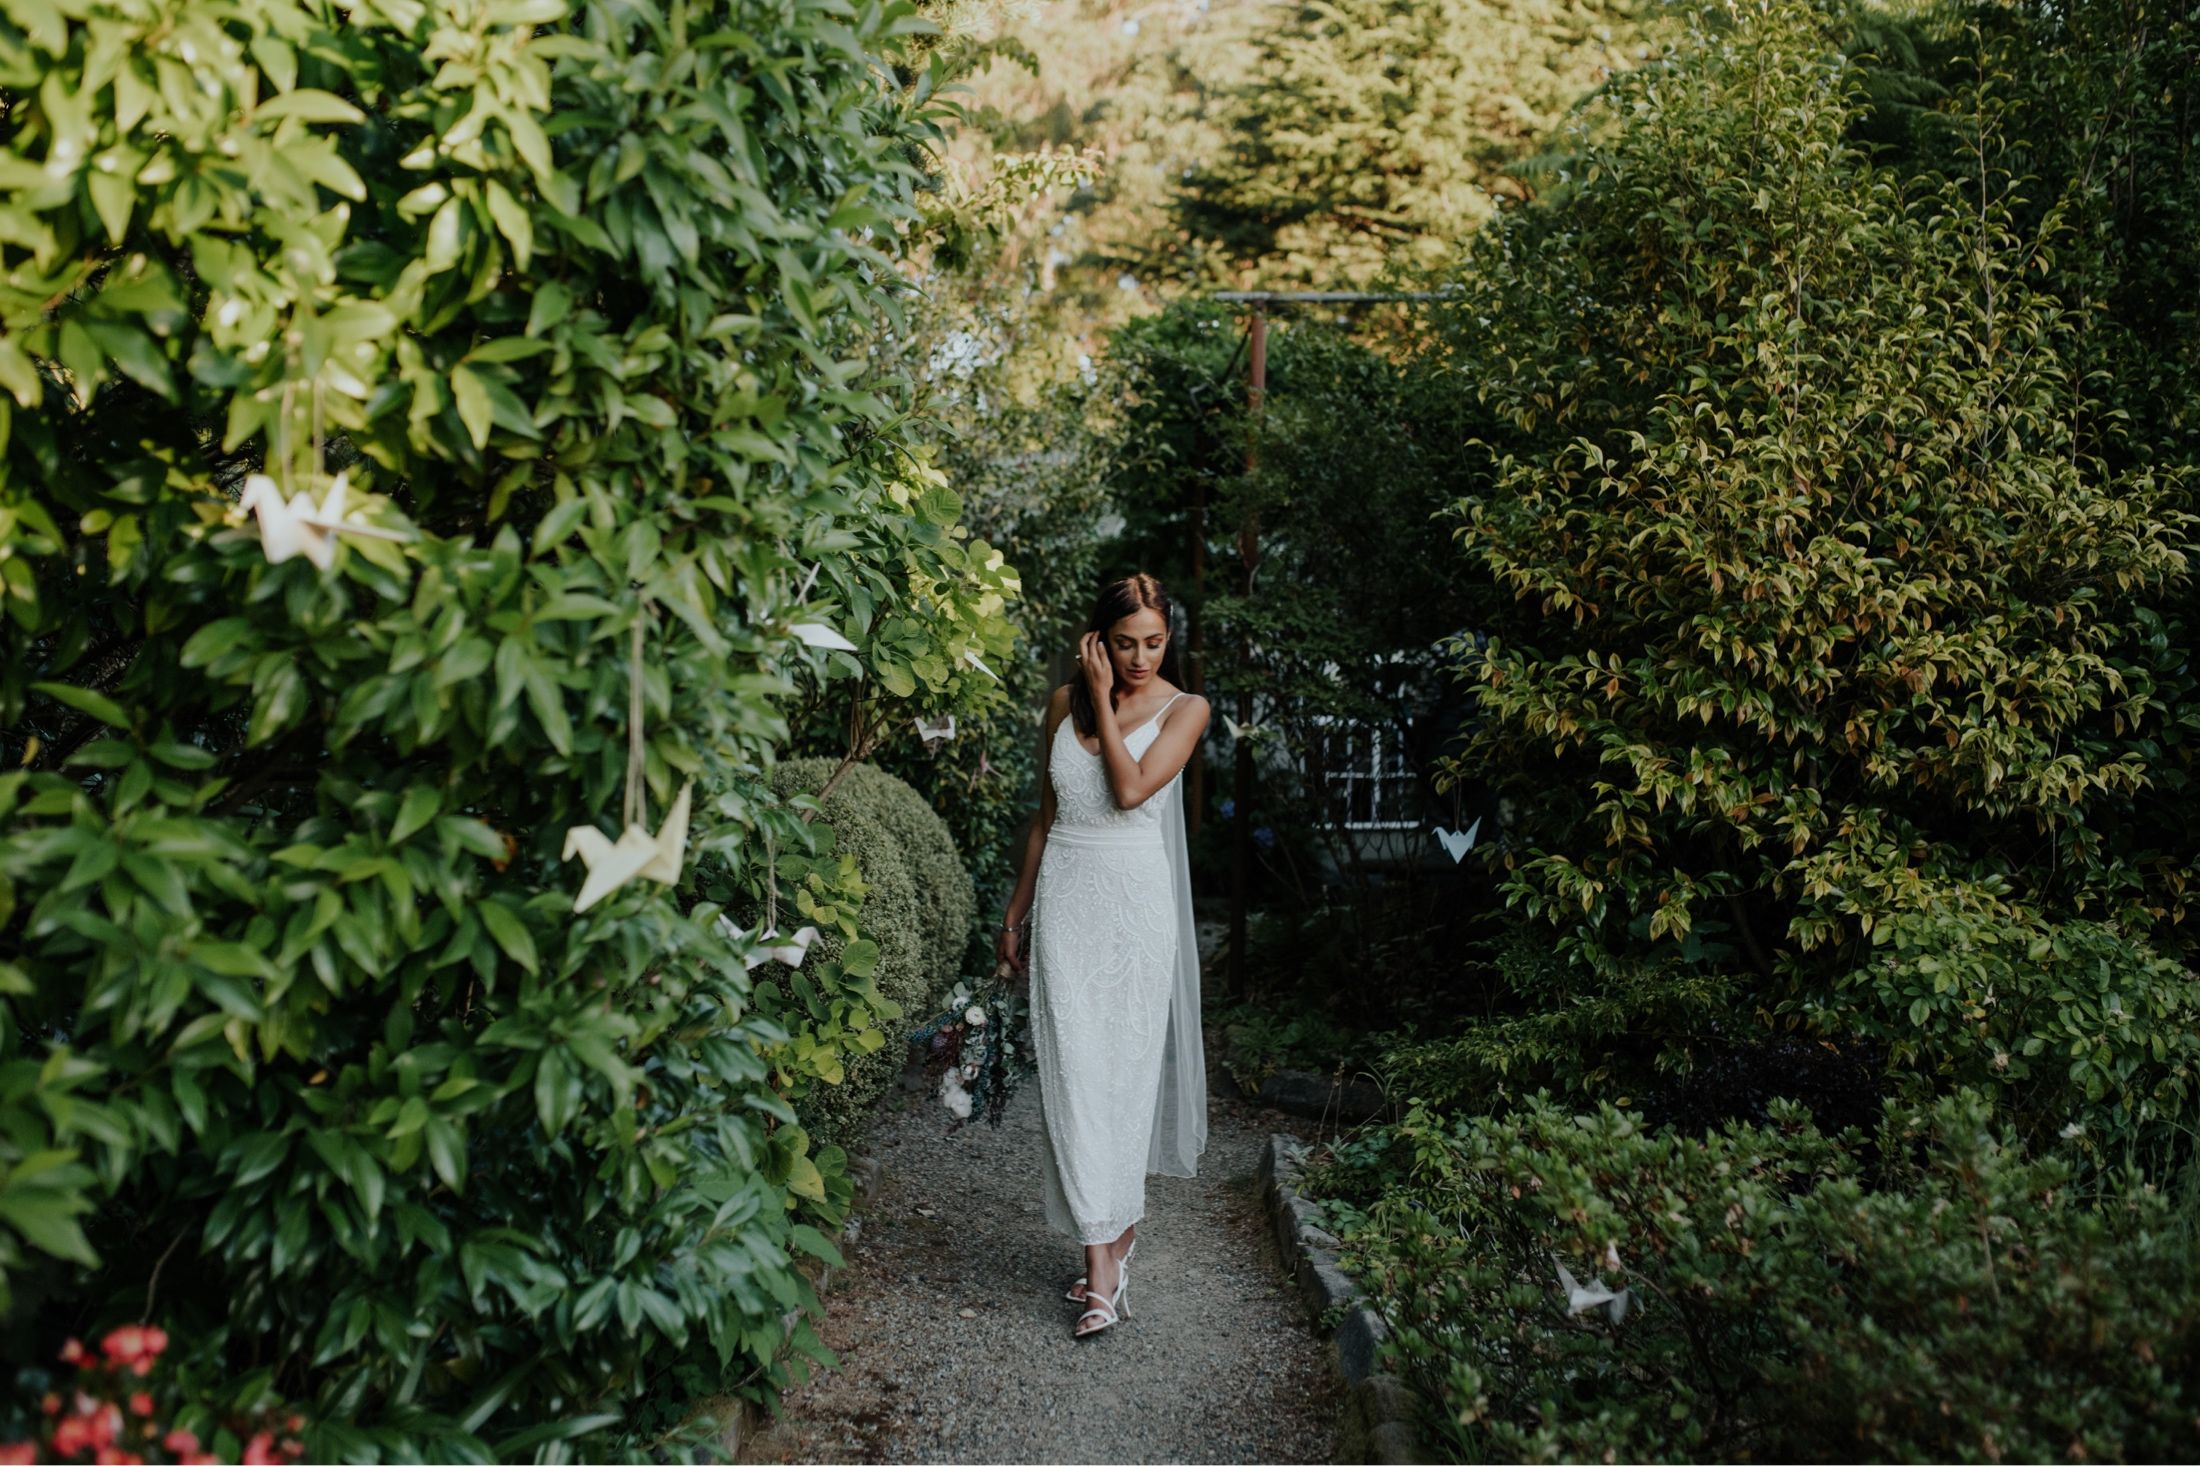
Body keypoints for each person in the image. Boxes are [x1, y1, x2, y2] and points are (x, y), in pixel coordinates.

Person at [996, 572, 1212, 1339]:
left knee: (1121, 1078)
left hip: (1134, 908)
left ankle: (1102, 1269)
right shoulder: (1061, 707)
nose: (1140, 657)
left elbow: (1128, 793)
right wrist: (1015, 915)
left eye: (1154, 642)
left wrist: (1110, 707)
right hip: (1066, 904)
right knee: (1073, 1075)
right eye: (1125, 644)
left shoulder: (1188, 710)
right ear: (1099, 639)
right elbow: (1044, 819)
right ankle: (1105, 1251)